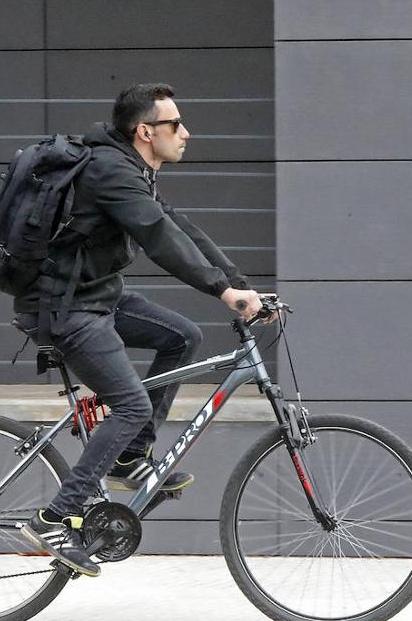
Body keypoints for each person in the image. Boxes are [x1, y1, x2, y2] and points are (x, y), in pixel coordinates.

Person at [15, 83, 263, 576]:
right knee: (128, 404)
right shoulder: (112, 173)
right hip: (67, 309)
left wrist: (239, 284)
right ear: (146, 132)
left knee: (183, 337)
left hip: (96, 297)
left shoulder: (132, 170)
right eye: (176, 124)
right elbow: (157, 238)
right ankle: (55, 517)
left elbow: (180, 228)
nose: (186, 133)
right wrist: (222, 293)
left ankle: (128, 457)